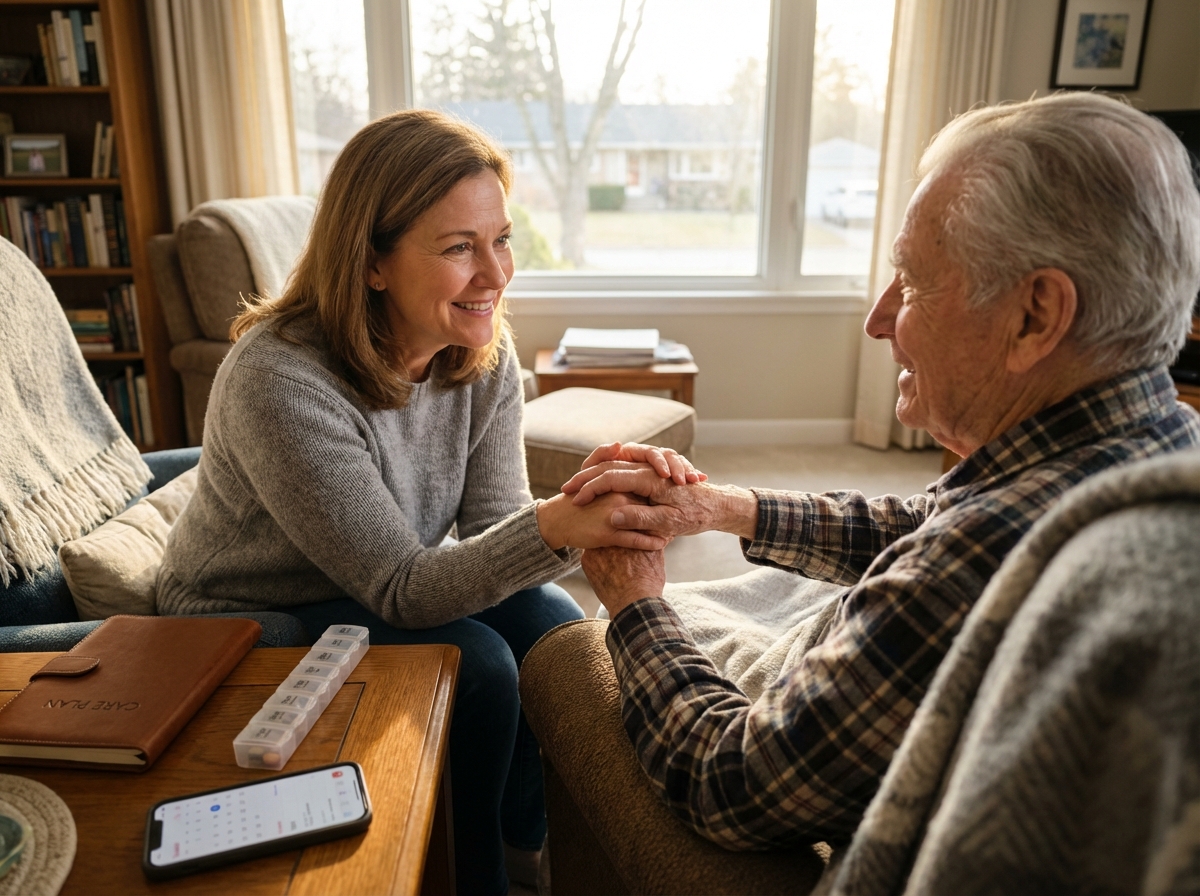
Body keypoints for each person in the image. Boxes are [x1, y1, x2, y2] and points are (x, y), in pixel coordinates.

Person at [561, 92, 1200, 849]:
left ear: (1035, 316)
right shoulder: (1155, 437)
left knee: (569, 653)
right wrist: (721, 510)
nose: (878, 318)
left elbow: (730, 785)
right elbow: (930, 520)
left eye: (914, 281)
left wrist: (634, 604)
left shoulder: (982, 561)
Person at [156, 109, 697, 894]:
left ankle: (530, 851)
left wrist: (598, 502)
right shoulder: (281, 378)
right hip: (244, 609)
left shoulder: (480, 349)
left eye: (501, 238)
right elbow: (405, 590)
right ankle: (471, 877)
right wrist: (557, 524)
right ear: (371, 263)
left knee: (549, 619)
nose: (497, 274)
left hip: (372, 578)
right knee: (475, 663)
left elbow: (494, 528)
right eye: (458, 248)